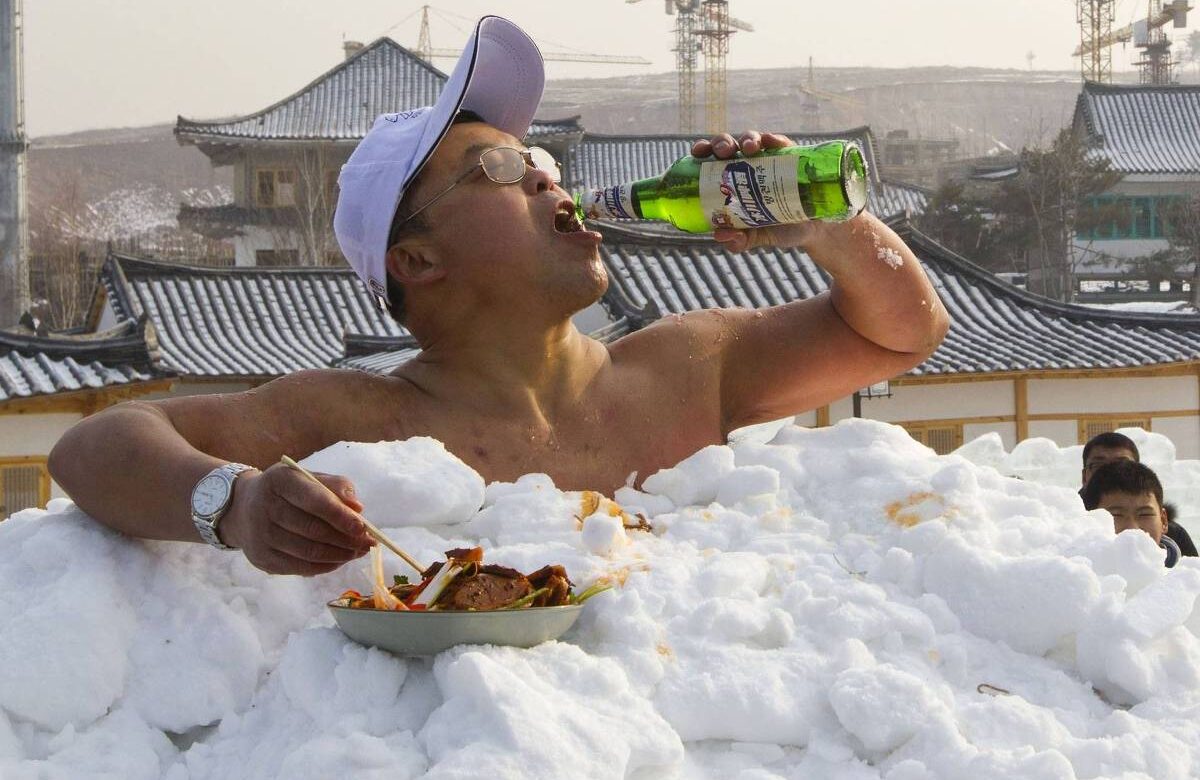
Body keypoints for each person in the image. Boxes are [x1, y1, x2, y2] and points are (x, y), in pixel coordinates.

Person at [47, 16, 949, 576]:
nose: (551, 183)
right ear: (417, 261)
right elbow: (95, 447)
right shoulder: (363, 414)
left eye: (549, 164)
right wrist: (234, 506)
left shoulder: (687, 360)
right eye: (506, 168)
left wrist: (828, 226)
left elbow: (902, 334)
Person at [1080, 431, 1197, 557]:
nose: (1132, 529)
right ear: (1084, 475)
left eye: (1122, 464)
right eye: (1099, 465)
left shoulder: (1173, 537)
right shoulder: (1068, 531)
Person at [1081, 460, 1181, 567]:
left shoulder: (1187, 579)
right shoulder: (1073, 578)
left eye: (1145, 514)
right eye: (1116, 514)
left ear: (1163, 521)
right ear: (1091, 520)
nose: (1133, 528)